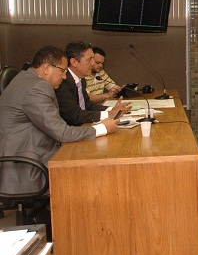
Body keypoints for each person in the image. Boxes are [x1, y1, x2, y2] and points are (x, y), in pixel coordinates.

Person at [0, 46, 119, 196]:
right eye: (62, 71)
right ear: (46, 68)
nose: (64, 77)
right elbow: (61, 133)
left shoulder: (24, 78)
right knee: (92, 173)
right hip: (26, 167)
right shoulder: (37, 88)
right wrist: (102, 128)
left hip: (24, 155)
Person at [55, 41, 130, 126]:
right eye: (89, 59)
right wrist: (109, 114)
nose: (93, 63)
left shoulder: (81, 79)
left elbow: (87, 105)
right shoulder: (62, 81)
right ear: (74, 62)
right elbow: (74, 115)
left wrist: (113, 109)